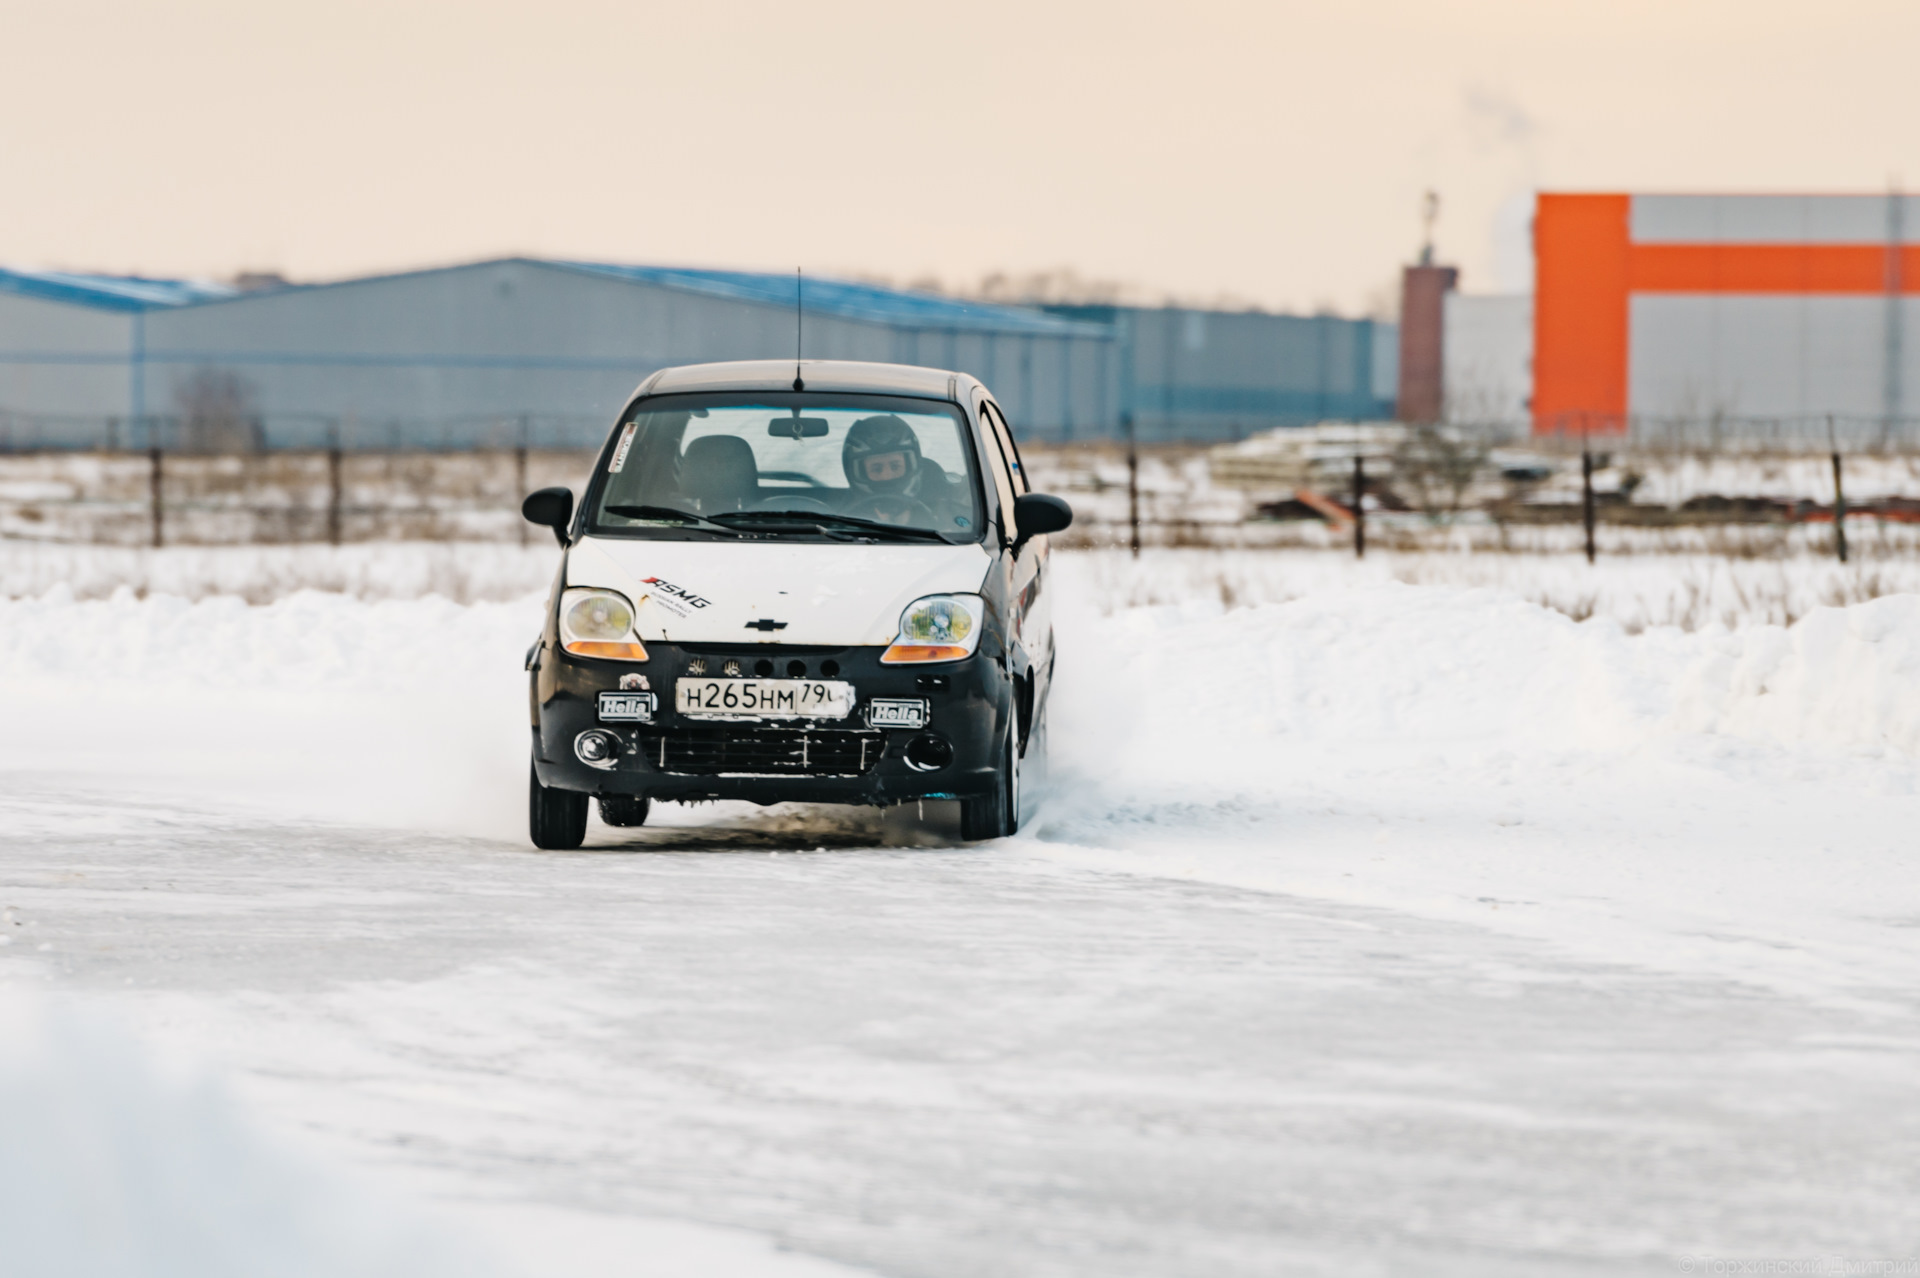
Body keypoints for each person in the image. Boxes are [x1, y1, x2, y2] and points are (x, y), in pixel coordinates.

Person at [840, 415, 966, 526]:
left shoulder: (948, 520)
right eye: (876, 469)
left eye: (895, 466)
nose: (887, 476)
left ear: (912, 465)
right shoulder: (836, 524)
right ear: (859, 473)